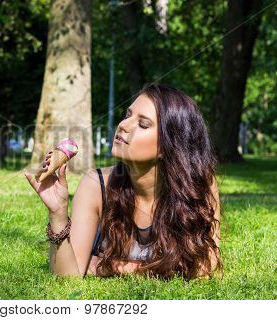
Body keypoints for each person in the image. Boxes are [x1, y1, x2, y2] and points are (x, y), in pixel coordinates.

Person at [24, 83, 222, 279]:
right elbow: (68, 277)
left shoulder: (197, 183)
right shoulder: (96, 184)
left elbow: (206, 266)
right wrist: (58, 214)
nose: (123, 125)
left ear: (167, 146)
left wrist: (111, 265)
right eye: (128, 115)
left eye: (143, 124)